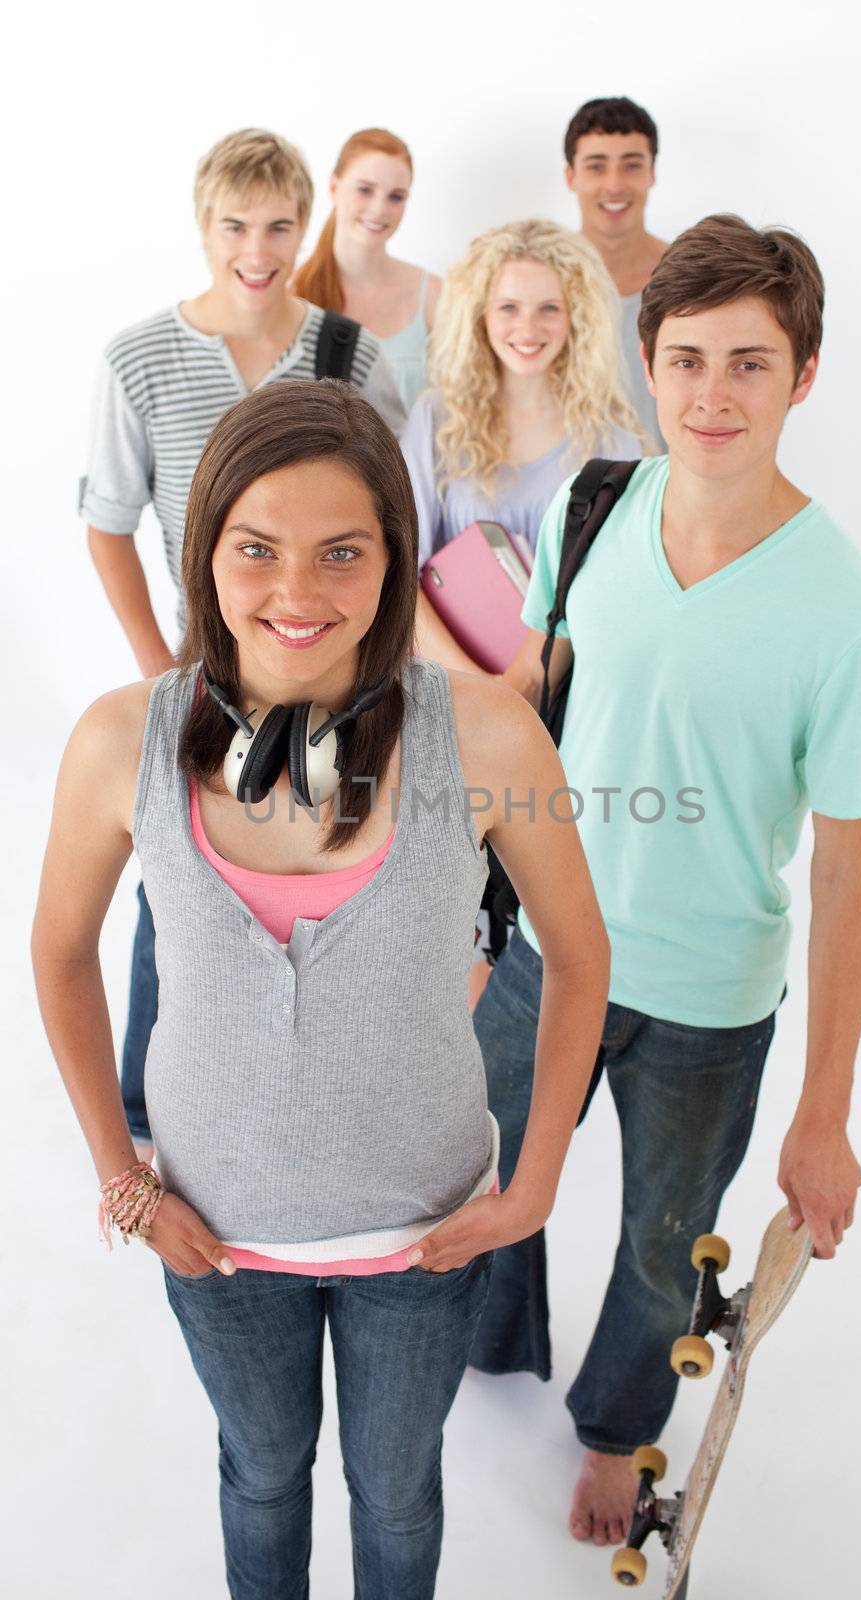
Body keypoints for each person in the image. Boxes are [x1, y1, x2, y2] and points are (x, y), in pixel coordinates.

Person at [34, 380, 609, 1600]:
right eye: (257, 550)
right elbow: (56, 950)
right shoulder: (114, 741)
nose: (295, 593)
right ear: (204, 556)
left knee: (396, 1491)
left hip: (425, 1236)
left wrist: (538, 1182)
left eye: (341, 551)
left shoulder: (493, 736)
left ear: (395, 564)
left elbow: (578, 950)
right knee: (260, 1471)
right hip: (214, 1235)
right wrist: (123, 1185)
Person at [471, 214, 861, 1548]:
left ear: (805, 375)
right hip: (550, 947)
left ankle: (616, 1425)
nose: (711, 395)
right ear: (646, 365)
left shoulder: (849, 612)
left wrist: (826, 1108)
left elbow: (851, 869)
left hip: (709, 1001)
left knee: (668, 1244)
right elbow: (533, 701)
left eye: (749, 363)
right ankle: (487, 1348)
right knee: (481, 1168)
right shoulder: (590, 504)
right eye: (684, 360)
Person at [79, 127, 406, 1160]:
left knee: (335, 861)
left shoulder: (351, 355)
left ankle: (327, 1087)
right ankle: (146, 1107)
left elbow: (393, 516)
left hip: (340, 665)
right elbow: (106, 518)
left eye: (277, 226)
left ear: (303, 225)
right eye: (234, 226)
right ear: (202, 226)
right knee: (176, 868)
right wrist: (158, 667)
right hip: (206, 671)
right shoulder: (139, 358)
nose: (256, 249)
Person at [401, 218, 645, 673]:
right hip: (446, 681)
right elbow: (399, 572)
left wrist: (529, 685)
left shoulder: (611, 436)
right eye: (508, 307)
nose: (528, 328)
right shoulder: (436, 419)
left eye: (549, 308)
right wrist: (483, 688)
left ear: (576, 317)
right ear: (481, 315)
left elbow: (618, 587)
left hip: (569, 692)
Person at [293, 127, 441, 412]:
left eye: (396, 197)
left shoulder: (435, 296)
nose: (379, 209)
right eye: (365, 190)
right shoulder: (292, 292)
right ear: (334, 187)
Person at [564, 95, 668, 451]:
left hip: (671, 490)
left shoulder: (688, 277)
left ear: (652, 172)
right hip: (568, 493)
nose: (614, 184)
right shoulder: (543, 281)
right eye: (596, 166)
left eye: (631, 165)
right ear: (570, 176)